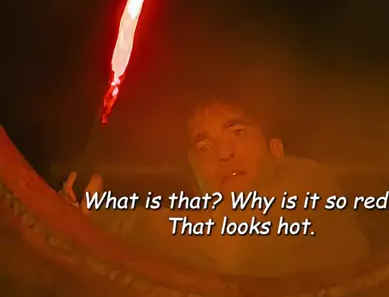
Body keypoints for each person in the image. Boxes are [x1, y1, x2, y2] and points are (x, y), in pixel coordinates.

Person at [60, 93, 370, 281]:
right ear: (195, 182)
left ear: (275, 149)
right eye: (204, 147)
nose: (223, 153)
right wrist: (78, 218)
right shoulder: (198, 253)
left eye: (238, 133)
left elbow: (231, 247)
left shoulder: (308, 182)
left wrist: (103, 220)